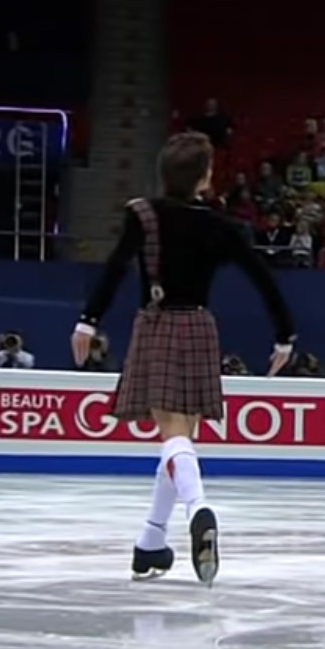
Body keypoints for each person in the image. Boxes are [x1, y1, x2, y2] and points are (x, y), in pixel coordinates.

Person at [70, 132, 296, 586]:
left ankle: (199, 508)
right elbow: (262, 276)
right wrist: (284, 335)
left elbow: (116, 266)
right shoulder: (220, 225)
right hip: (198, 328)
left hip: (155, 325)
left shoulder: (143, 214)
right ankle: (150, 545)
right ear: (204, 177)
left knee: (173, 435)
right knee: (181, 440)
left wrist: (88, 319)